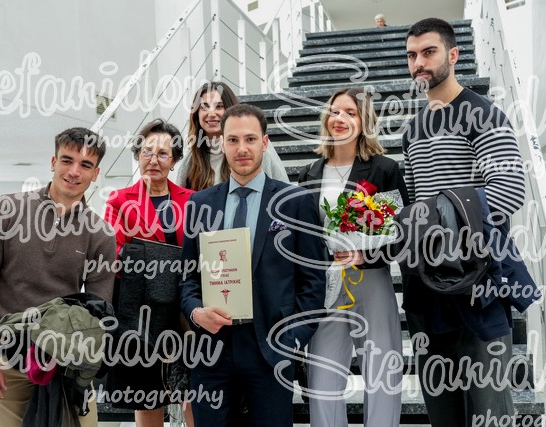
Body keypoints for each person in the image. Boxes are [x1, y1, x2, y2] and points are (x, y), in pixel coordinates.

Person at [402, 18, 525, 426]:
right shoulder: (412, 130)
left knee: (490, 413)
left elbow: (509, 192)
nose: (419, 63)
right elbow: (413, 205)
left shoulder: (483, 114)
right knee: (444, 415)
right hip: (426, 287)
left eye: (428, 52)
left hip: (478, 281)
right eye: (411, 55)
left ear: (453, 55)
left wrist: (438, 224)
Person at [180, 104, 327, 427]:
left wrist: (292, 339)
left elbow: (314, 282)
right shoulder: (200, 204)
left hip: (271, 349)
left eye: (250, 139)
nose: (242, 149)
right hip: (212, 348)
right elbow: (188, 278)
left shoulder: (295, 202)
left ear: (265, 142)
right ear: (222, 144)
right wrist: (196, 312)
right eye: (233, 140)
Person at [0, 127, 116, 426]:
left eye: (85, 165)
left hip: (64, 364)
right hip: (6, 363)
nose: (74, 172)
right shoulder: (8, 210)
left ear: (96, 173)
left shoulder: (99, 233)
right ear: (53, 162)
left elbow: (97, 310)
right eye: (67, 160)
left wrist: (82, 368)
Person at [298, 87, 407, 427]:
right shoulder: (309, 173)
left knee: (381, 371)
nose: (340, 118)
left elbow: (400, 233)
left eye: (350, 112)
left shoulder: (384, 169)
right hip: (327, 283)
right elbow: (303, 235)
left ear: (364, 121)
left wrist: (366, 252)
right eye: (335, 111)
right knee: (322, 378)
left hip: (371, 279)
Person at [104, 119, 194, 427]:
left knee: (191, 390)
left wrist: (144, 252)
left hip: (183, 306)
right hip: (140, 311)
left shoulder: (191, 200)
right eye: (147, 152)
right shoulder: (119, 200)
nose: (153, 160)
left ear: (175, 160)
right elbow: (114, 253)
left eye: (163, 154)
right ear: (137, 155)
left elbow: (198, 251)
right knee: (146, 394)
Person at [175, 81, 289, 190]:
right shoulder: (191, 157)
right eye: (204, 107)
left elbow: (284, 190)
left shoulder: (256, 147)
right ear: (197, 114)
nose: (211, 113)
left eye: (219, 106)